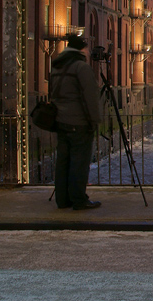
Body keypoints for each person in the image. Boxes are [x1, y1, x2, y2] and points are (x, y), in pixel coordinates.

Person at [50, 33, 102, 210]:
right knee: (79, 162)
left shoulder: (57, 67)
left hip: (61, 121)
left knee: (63, 162)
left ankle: (63, 199)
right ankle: (79, 199)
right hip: (79, 122)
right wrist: (94, 121)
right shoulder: (81, 68)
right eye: (86, 49)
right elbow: (91, 97)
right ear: (81, 50)